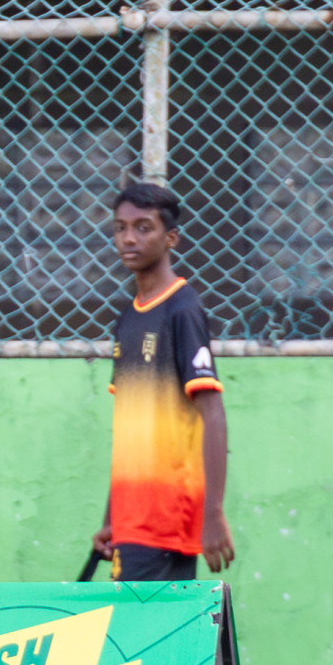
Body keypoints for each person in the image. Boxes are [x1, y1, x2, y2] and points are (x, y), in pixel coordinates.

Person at [93, 184, 233, 581]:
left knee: (135, 638)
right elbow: (130, 435)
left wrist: (213, 513)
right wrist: (112, 517)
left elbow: (213, 414)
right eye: (120, 228)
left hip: (165, 520)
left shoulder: (182, 309)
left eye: (143, 227)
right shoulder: (127, 318)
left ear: (170, 238)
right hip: (131, 521)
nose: (129, 238)